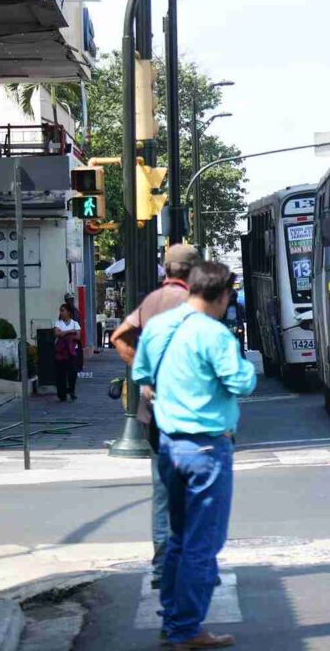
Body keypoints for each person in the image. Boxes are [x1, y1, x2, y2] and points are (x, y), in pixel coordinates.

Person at [132, 262, 256, 649]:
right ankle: (187, 628)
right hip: (207, 447)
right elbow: (242, 381)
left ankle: (173, 620)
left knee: (179, 539)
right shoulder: (214, 335)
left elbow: (141, 372)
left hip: (169, 444)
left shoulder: (158, 327)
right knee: (203, 543)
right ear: (222, 296)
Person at [111, 244, 200, 591]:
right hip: (190, 416)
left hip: (155, 416)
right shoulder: (195, 306)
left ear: (166, 270)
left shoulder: (150, 303)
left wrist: (144, 373)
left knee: (163, 495)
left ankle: (163, 567)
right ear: (192, 273)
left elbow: (119, 336)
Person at [53, 304, 81, 401]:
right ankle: (62, 394)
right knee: (60, 373)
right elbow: (57, 333)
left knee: (72, 372)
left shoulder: (75, 323)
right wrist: (70, 332)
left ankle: (71, 390)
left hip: (71, 352)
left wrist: (63, 333)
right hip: (60, 352)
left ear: (69, 312)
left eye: (63, 310)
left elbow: (77, 337)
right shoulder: (58, 323)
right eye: (60, 311)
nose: (61, 313)